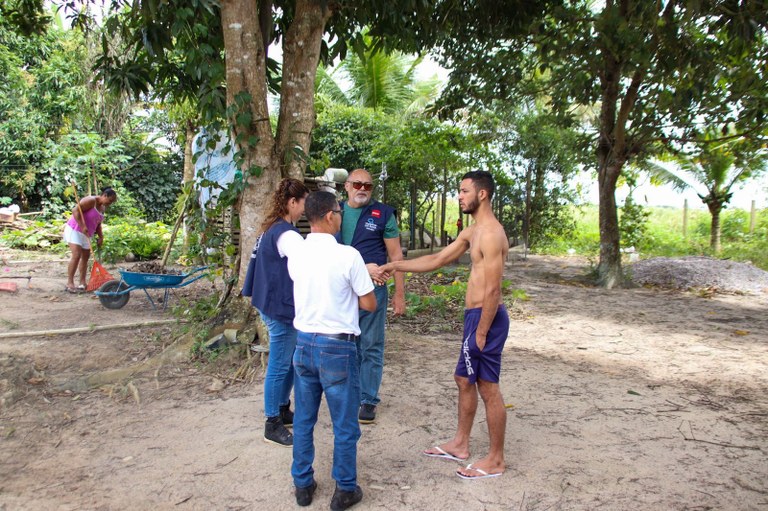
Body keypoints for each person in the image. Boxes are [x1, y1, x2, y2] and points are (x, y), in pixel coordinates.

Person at [381, 170, 510, 480]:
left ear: (482, 194)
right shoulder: (472, 232)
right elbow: (436, 260)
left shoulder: (492, 233)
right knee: (463, 379)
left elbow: (493, 289)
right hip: (474, 318)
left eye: (464, 191)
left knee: (487, 387)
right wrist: (395, 265)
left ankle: (495, 459)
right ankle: (460, 444)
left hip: (486, 319)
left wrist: (480, 332)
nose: (459, 196)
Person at [285, 191, 376, 510]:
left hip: (305, 343)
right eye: (339, 211)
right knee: (345, 424)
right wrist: (367, 278)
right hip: (337, 347)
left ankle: (302, 484)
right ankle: (345, 489)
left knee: (304, 419)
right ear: (328, 216)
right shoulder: (348, 256)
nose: (341, 215)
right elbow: (369, 302)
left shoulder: (298, 254)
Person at [241, 178, 309, 447]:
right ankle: (272, 422)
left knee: (289, 359)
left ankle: (282, 408)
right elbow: (307, 266)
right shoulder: (288, 235)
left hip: (269, 302)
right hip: (279, 308)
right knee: (280, 365)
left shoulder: (271, 229)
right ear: (293, 202)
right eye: (303, 204)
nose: (304, 210)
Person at [338, 168, 405, 424]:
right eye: (357, 184)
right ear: (347, 186)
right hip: (341, 290)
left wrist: (400, 295)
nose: (362, 189)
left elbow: (396, 257)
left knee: (371, 344)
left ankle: (368, 399)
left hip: (372, 288)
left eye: (367, 185)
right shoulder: (333, 213)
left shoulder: (384, 214)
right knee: (346, 344)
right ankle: (350, 393)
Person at [63, 188, 118, 293]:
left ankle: (82, 283)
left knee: (85, 257)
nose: (110, 204)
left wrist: (101, 237)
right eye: (110, 200)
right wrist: (82, 225)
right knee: (76, 255)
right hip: (75, 229)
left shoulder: (102, 208)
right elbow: (75, 210)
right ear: (104, 195)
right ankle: (70, 283)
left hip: (87, 233)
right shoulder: (91, 201)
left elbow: (98, 223)